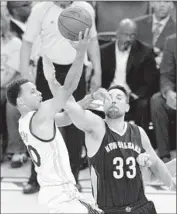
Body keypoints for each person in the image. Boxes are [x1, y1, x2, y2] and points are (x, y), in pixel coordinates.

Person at [6, 30, 102, 214]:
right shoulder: (39, 116)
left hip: (61, 193)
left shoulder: (30, 121)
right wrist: (81, 53)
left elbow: (66, 118)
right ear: (20, 101)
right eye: (32, 92)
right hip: (60, 197)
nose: (39, 93)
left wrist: (81, 103)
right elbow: (68, 88)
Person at [20, 1, 102, 191]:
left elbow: (93, 40)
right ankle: (36, 177)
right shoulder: (41, 9)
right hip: (48, 70)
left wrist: (97, 70)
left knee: (75, 125)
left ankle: (72, 178)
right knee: (41, 124)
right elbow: (27, 43)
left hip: (76, 69)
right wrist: (25, 77)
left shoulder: (85, 8)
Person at [64, 85, 176, 214]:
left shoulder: (138, 132)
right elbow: (70, 108)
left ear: (127, 107)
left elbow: (156, 164)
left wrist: (171, 185)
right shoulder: (96, 127)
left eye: (119, 98)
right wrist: (93, 96)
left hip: (141, 207)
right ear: (103, 105)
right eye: (109, 97)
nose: (113, 100)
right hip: (110, 210)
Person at [101, 18, 157, 132]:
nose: (128, 39)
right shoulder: (103, 51)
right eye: (125, 35)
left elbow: (149, 82)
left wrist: (133, 96)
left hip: (132, 96)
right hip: (108, 93)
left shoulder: (145, 52)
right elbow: (99, 78)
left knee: (143, 105)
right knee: (91, 105)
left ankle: (140, 142)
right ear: (117, 33)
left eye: (132, 35)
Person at [1, 6, 27, 166]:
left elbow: (10, 73)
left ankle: (17, 150)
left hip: (9, 86)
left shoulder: (15, 43)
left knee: (12, 106)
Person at [151, 34, 176, 163]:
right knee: (157, 101)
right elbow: (166, 74)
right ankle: (164, 156)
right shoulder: (172, 42)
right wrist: (168, 92)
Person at [135, 1, 176, 68]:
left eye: (166, 1)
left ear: (172, 5)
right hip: (139, 73)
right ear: (152, 3)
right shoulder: (136, 24)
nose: (162, 5)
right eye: (158, 1)